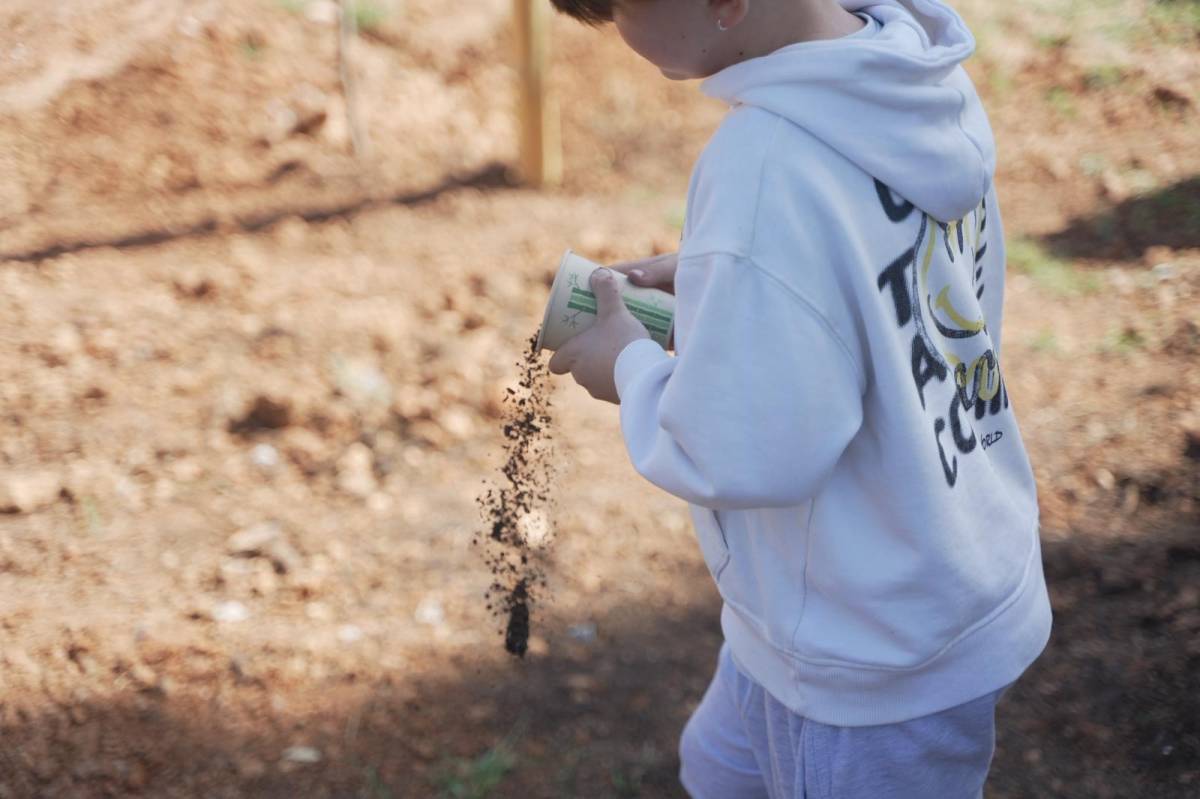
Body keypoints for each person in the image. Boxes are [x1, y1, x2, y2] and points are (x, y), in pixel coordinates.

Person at [545, 0, 1052, 795]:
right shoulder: (907, 76)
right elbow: (873, 277)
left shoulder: (763, 163)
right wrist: (731, 281)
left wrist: (631, 368)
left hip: (863, 650)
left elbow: (746, 451)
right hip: (920, 558)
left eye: (619, 10)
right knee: (719, 769)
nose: (615, 33)